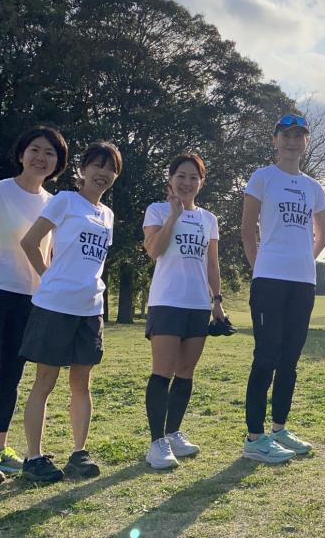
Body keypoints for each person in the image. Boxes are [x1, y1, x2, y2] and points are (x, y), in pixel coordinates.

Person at [0, 126, 68, 486]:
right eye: (35, 149)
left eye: (50, 153)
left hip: (31, 299)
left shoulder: (54, 203)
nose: (41, 158)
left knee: (11, 375)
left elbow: (50, 254)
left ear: (58, 163)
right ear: (22, 153)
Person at [19, 141, 121, 482]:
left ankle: (79, 454)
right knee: (45, 381)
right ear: (83, 168)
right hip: (55, 306)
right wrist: (48, 276)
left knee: (82, 383)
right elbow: (29, 242)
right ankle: (34, 458)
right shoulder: (65, 200)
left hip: (90, 308)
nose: (103, 173)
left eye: (111, 169)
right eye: (98, 165)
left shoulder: (107, 214)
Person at [241, 114, 325, 463]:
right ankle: (254, 438)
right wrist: (260, 267)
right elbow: (247, 229)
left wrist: (303, 260)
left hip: (303, 282)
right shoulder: (263, 177)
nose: (292, 141)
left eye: (299, 136)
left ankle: (279, 428)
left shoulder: (313, 187)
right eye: (286, 135)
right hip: (269, 280)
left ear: (306, 142)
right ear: (275, 140)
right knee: (266, 356)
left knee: (290, 359)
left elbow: (322, 234)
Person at [142, 153, 226, 470]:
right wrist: (173, 216)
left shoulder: (209, 219)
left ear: (201, 183)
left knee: (186, 372)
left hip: (197, 304)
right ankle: (157, 444)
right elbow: (154, 250)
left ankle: (173, 432)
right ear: (170, 179)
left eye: (193, 177)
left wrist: (217, 300)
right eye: (181, 176)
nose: (187, 182)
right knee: (162, 371)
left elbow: (212, 264)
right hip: (167, 301)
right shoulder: (157, 210)